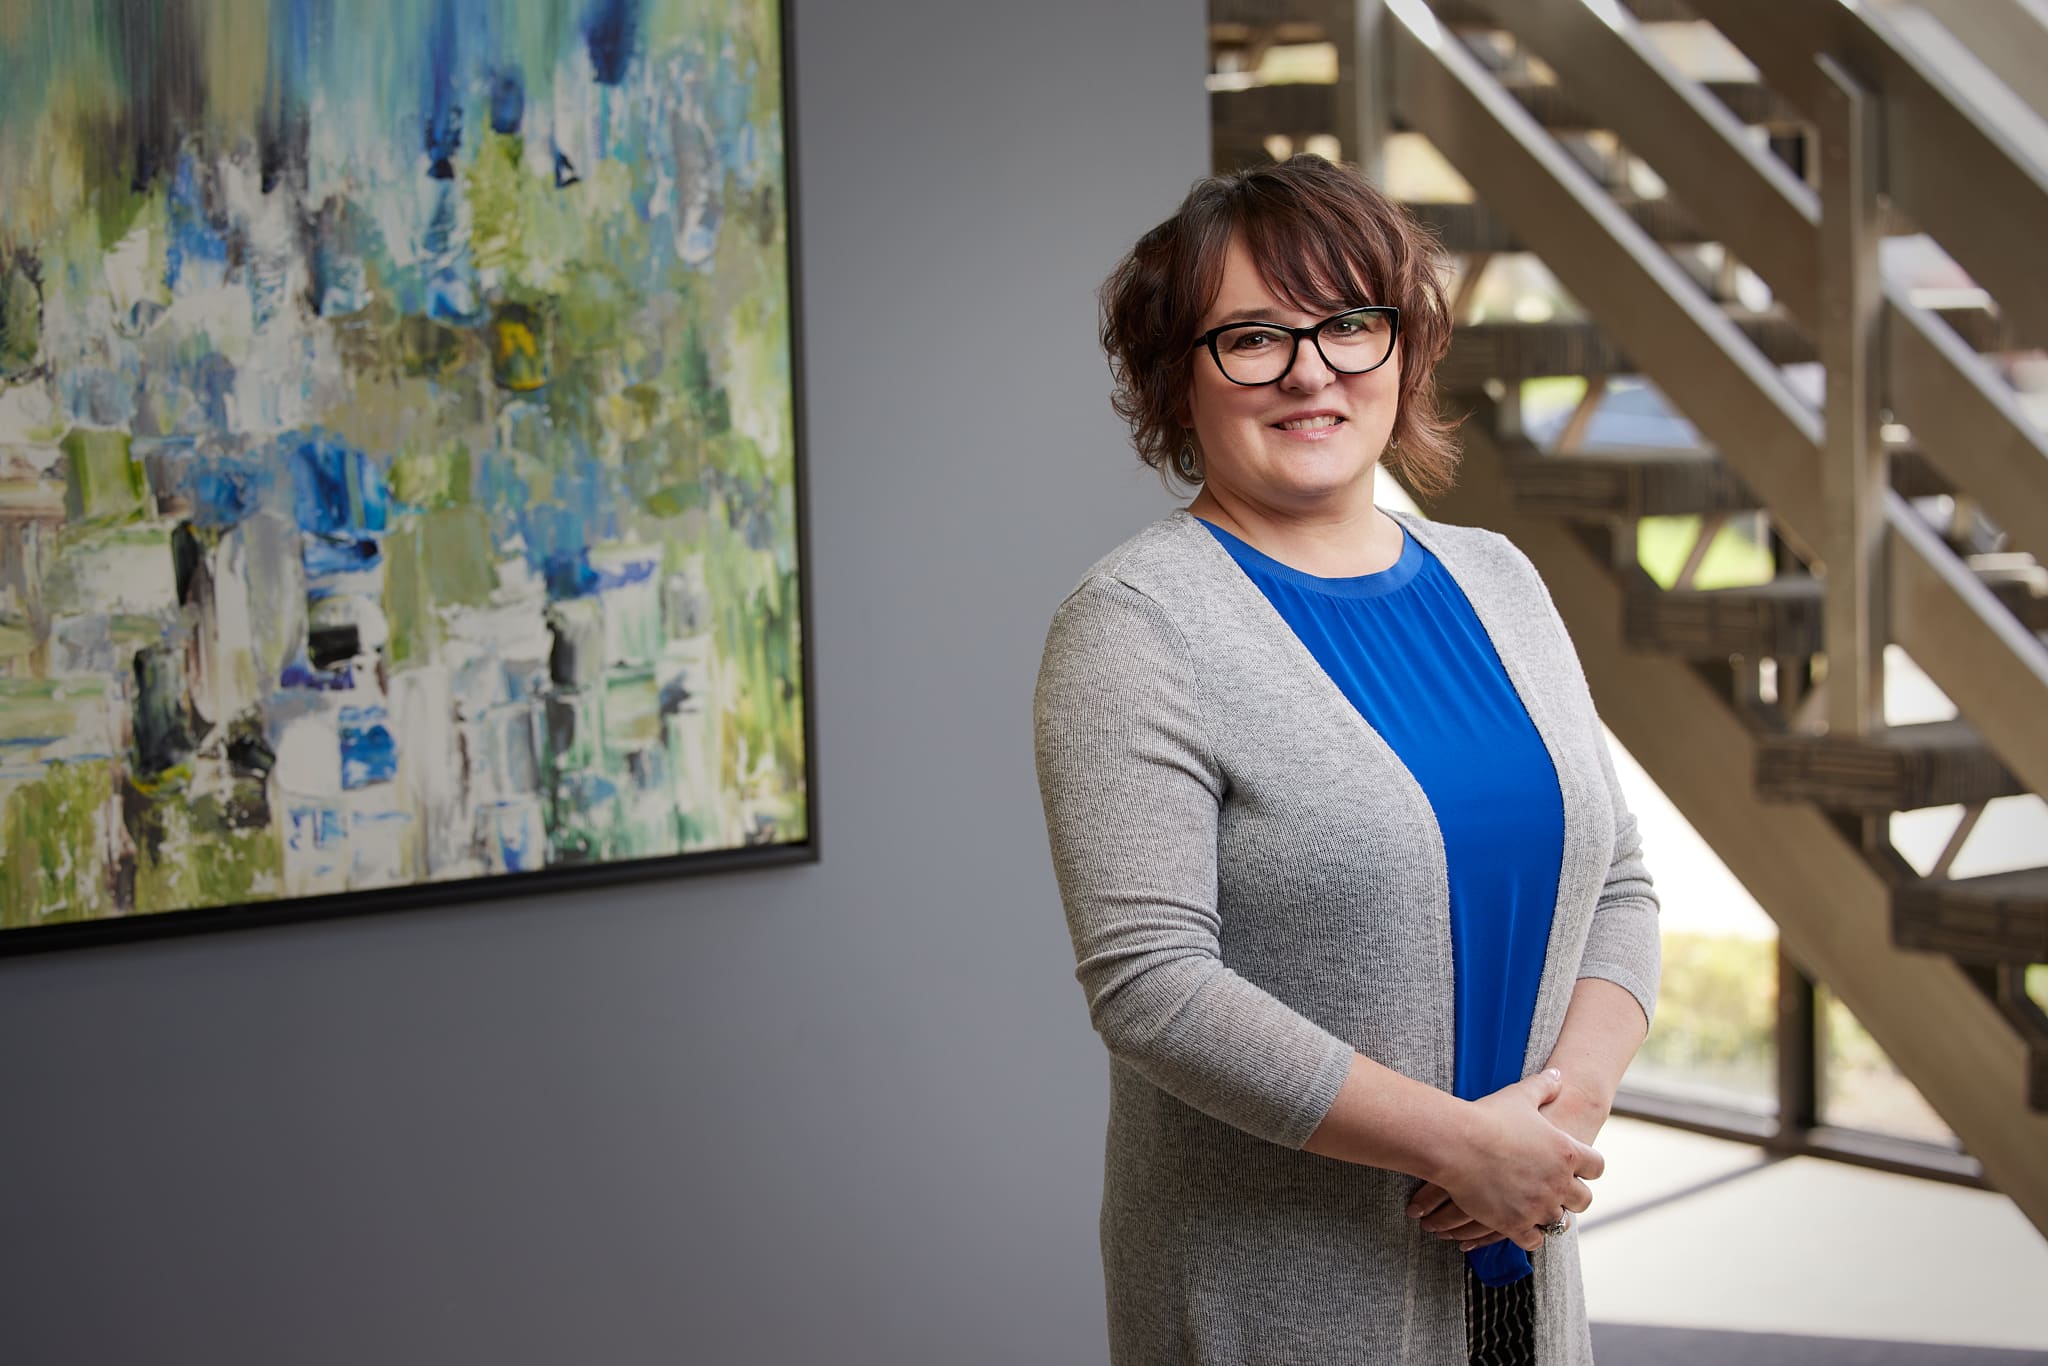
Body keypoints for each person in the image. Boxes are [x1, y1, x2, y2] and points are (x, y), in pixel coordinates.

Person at [1032, 155, 1661, 1366]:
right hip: (1282, 1287)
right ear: (1177, 376)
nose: (1311, 368)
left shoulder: (1500, 582)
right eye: (1252, 338)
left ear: (1402, 348)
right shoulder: (1134, 624)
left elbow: (1619, 887)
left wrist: (1555, 1121)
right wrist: (1454, 1145)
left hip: (1524, 1255)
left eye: (1348, 324)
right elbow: (1151, 984)